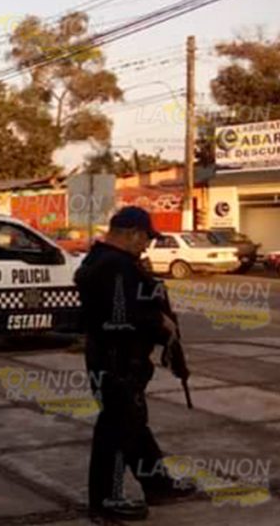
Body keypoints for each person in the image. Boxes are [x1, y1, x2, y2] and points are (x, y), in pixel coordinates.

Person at [74, 206, 195, 521]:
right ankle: (104, 501)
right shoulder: (114, 266)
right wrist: (159, 322)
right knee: (114, 435)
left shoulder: (103, 261)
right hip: (118, 363)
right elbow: (122, 316)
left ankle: (157, 484)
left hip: (116, 360)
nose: (147, 245)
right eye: (145, 238)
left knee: (132, 426)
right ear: (131, 233)